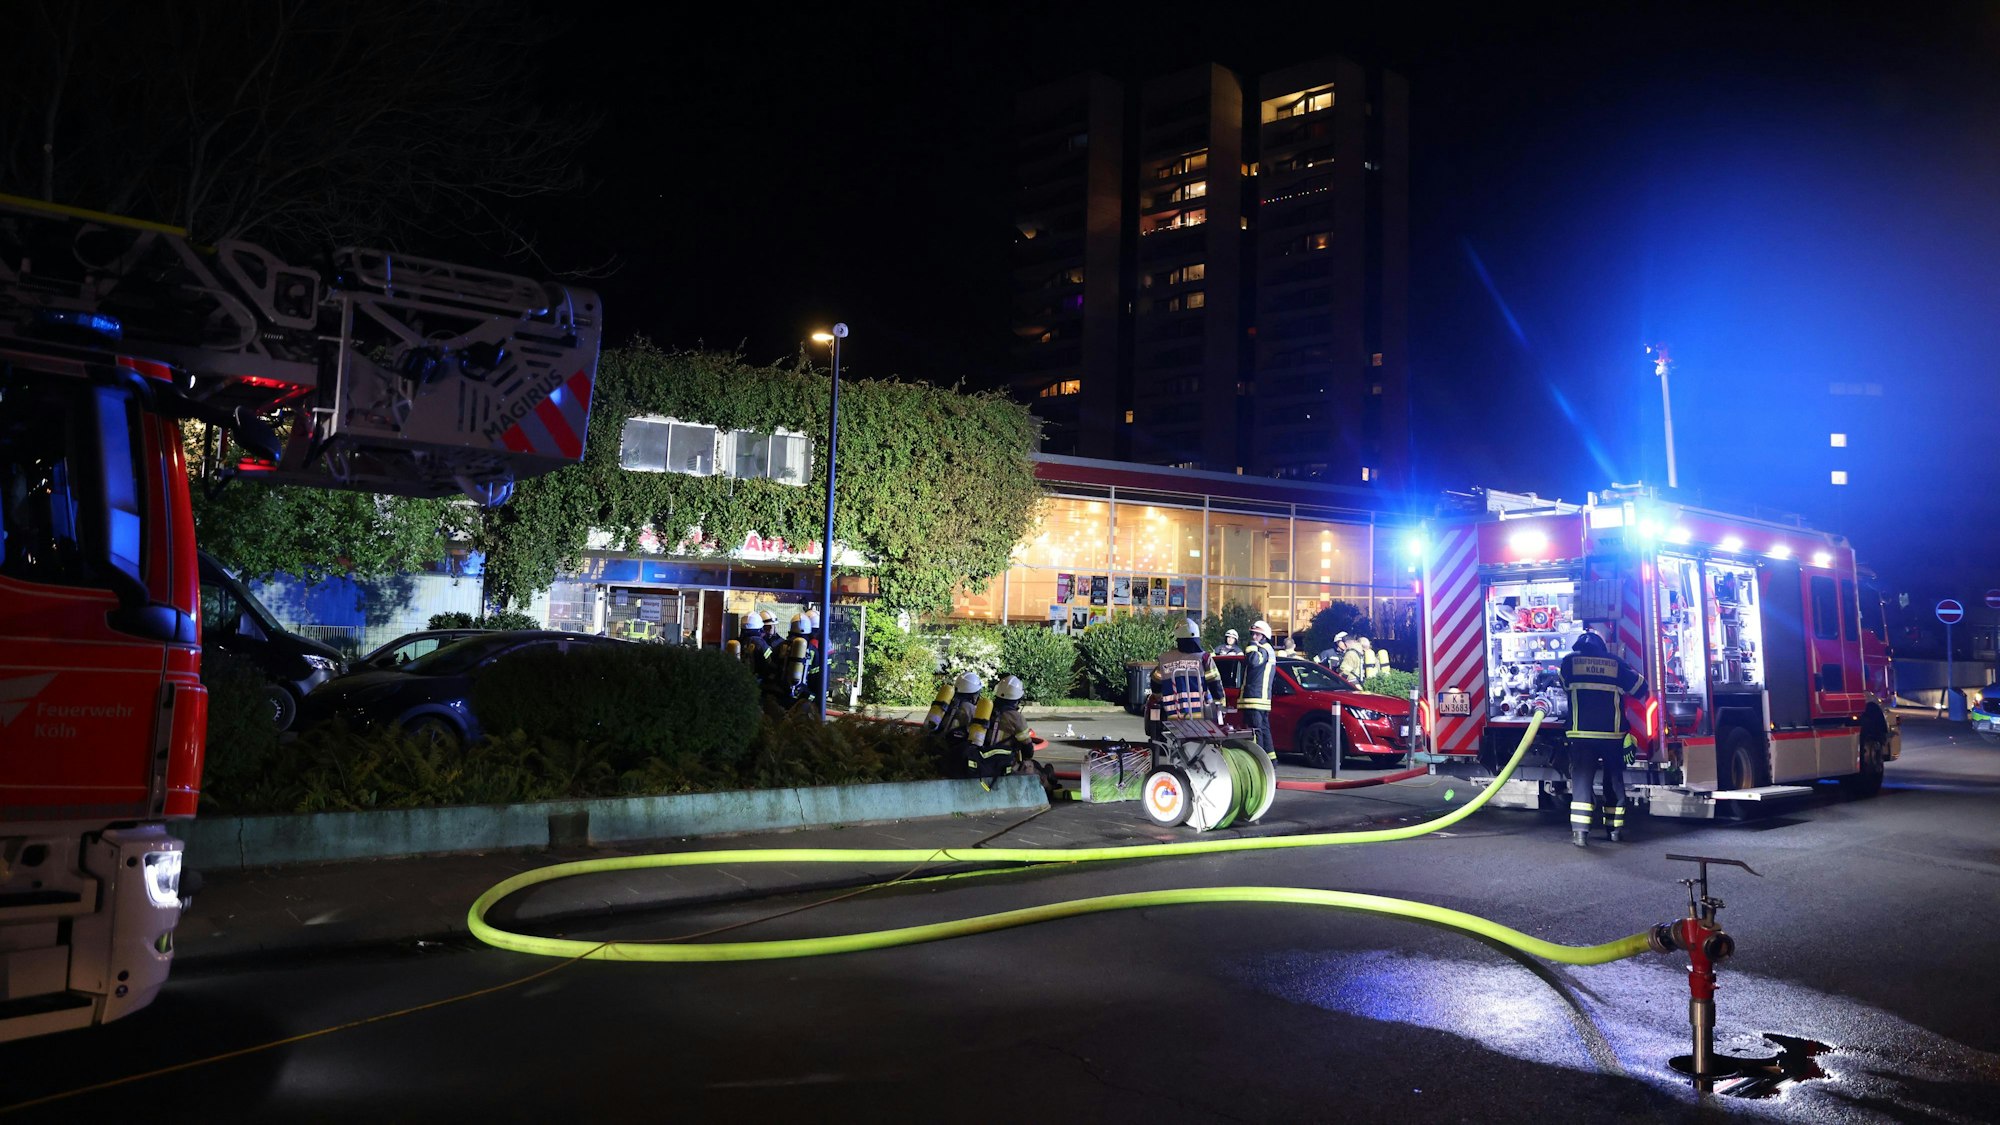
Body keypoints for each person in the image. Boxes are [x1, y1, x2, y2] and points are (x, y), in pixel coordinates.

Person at [1560, 630, 1651, 847]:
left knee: (1582, 782)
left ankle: (1580, 833)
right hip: (1612, 735)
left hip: (1580, 735)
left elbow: (1564, 685)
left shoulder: (1569, 662)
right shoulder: (1615, 663)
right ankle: (1614, 830)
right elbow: (1641, 688)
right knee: (1614, 781)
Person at [1151, 617, 1225, 720]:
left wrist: (1159, 696)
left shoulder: (1165, 659)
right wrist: (1220, 703)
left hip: (1173, 717)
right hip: (1201, 717)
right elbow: (1215, 684)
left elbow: (1155, 684)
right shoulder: (1204, 658)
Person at [1236, 619, 1279, 761]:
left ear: (1264, 636)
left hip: (1255, 698)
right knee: (1263, 730)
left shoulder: (1262, 649)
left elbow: (1253, 661)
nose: (1254, 637)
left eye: (1257, 635)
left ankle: (1259, 762)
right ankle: (1271, 761)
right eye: (1253, 634)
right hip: (1260, 699)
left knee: (1254, 732)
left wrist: (1251, 646)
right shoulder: (1267, 650)